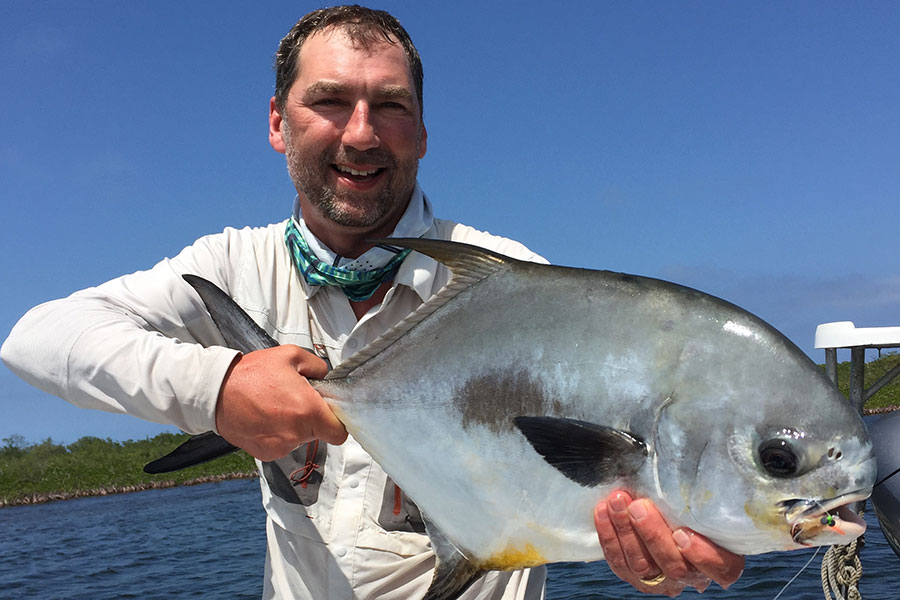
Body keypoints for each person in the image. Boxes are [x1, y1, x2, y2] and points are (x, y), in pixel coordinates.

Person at [1, 6, 743, 599]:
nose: (360, 134)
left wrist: (649, 555)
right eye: (328, 101)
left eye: (390, 106)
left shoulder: (514, 281)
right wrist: (220, 388)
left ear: (421, 131)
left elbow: (587, 487)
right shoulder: (231, 265)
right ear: (276, 122)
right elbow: (37, 339)